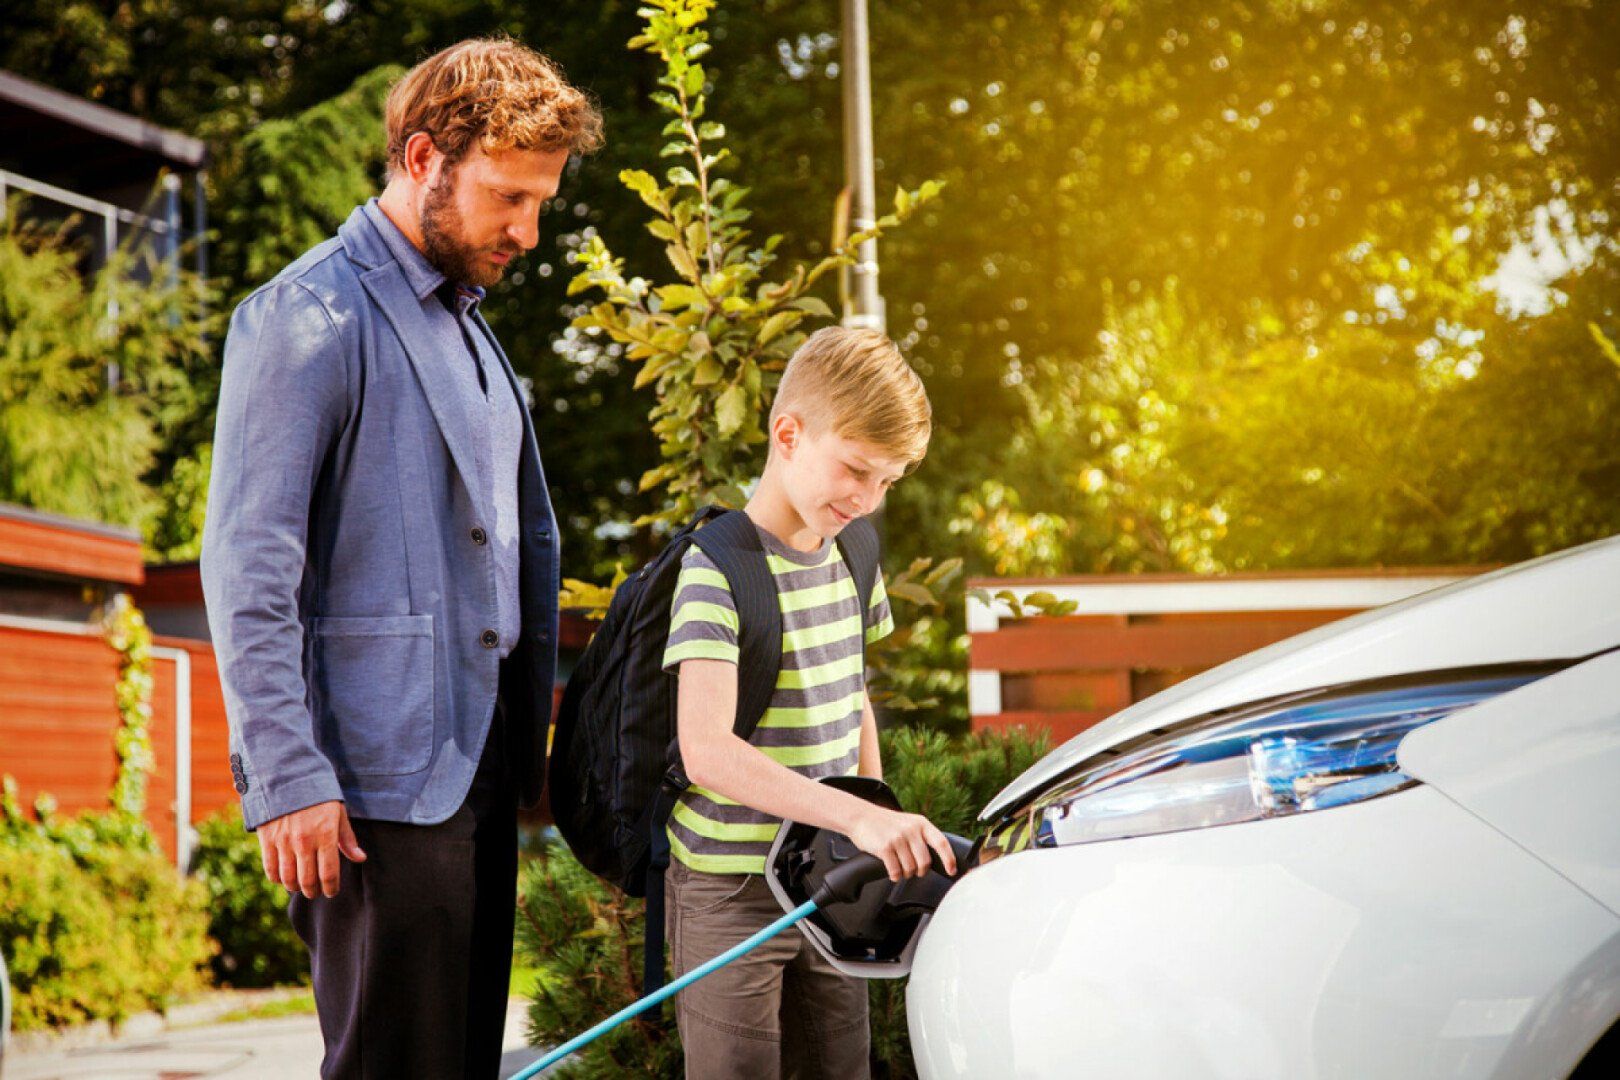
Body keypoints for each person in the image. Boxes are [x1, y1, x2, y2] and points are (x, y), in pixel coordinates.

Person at [199, 38, 601, 1078]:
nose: (529, 231)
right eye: (509, 197)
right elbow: (248, 571)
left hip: (475, 779)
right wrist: (287, 777)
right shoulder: (306, 318)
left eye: (541, 203)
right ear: (424, 159)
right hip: (367, 791)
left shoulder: (469, 327)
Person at [663, 326, 958, 1079]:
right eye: (856, 469)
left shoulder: (855, 552)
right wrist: (856, 818)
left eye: (888, 481)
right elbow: (706, 751)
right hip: (728, 890)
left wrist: (869, 819)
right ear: (788, 435)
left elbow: (851, 691)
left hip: (827, 874)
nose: (867, 498)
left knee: (840, 1066)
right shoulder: (715, 571)